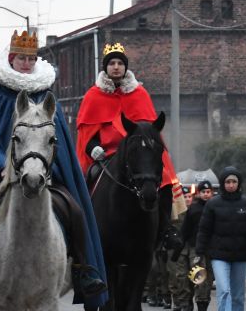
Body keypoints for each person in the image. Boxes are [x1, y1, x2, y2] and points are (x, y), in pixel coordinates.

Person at [0, 29, 107, 309]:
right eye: (21, 57)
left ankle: (82, 268)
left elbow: (57, 142)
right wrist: (4, 166)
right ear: (11, 58)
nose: (26, 63)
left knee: (75, 210)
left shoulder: (45, 95)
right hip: (1, 176)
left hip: (43, 173)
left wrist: (45, 165)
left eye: (31, 58)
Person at [75, 42, 179, 204]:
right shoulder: (93, 96)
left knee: (165, 179)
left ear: (125, 67)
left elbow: (150, 131)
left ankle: (165, 226)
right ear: (105, 67)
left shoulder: (140, 94)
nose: (116, 67)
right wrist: (93, 148)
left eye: (120, 63)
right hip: (106, 156)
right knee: (86, 179)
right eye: (111, 63)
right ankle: (86, 220)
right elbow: (85, 136)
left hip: (137, 155)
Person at [194, 167, 246, 311]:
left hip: (240, 254)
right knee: (224, 290)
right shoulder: (213, 204)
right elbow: (204, 230)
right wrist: (200, 252)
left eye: (234, 182)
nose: (231, 185)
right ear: (223, 184)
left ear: (238, 184)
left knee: (238, 294)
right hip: (218, 254)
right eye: (227, 182)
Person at [181, 180, 216, 311]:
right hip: (196, 248)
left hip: (213, 249)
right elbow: (185, 229)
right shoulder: (194, 209)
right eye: (203, 192)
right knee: (199, 277)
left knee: (209, 279)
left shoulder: (216, 207)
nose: (206, 195)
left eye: (208, 192)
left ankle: (203, 304)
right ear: (199, 193)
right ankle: (200, 308)